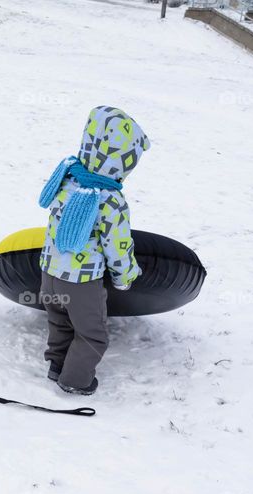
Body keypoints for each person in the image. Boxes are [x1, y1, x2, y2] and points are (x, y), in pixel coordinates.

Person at [37, 105, 149, 395]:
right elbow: (118, 246)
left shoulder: (67, 176)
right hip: (81, 283)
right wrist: (125, 276)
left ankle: (56, 366)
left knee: (59, 322)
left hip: (49, 272)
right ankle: (76, 380)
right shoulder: (110, 200)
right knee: (92, 335)